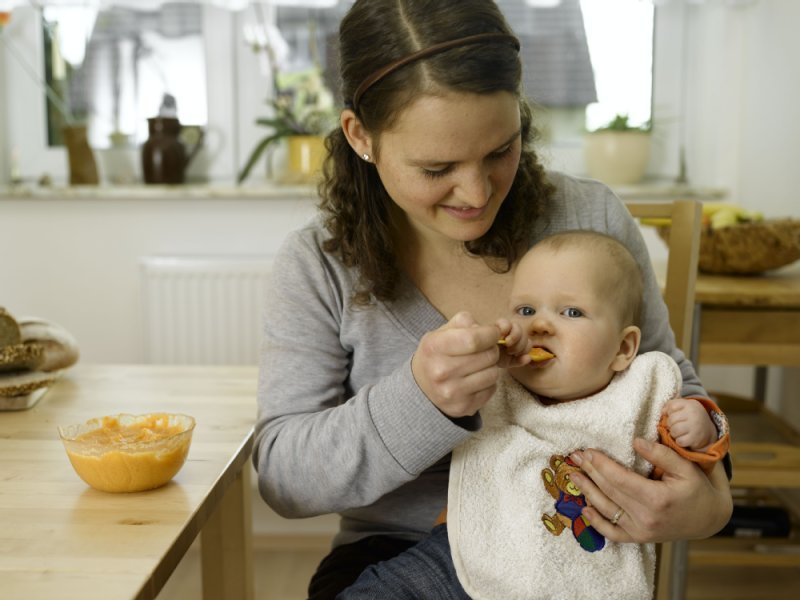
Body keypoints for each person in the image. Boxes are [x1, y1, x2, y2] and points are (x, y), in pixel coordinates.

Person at [251, 1, 733, 598]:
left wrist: (708, 507)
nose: (477, 194)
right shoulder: (319, 265)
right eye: (437, 167)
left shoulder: (589, 218)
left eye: (501, 150)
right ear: (361, 137)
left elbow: (671, 390)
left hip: (577, 556)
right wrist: (421, 401)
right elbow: (282, 477)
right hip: (403, 558)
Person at [338, 230, 730, 599]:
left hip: (584, 568)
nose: (540, 325)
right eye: (526, 309)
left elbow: (695, 453)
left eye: (571, 312)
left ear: (623, 348)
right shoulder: (494, 380)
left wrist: (701, 425)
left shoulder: (640, 394)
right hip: (467, 553)